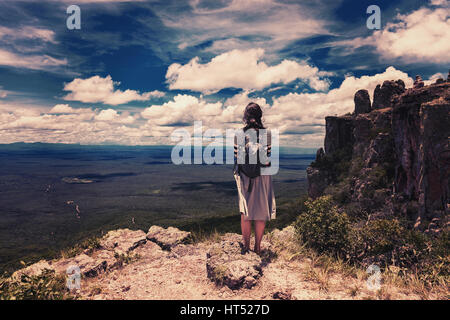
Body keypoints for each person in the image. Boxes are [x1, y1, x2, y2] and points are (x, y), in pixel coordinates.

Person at [233, 102, 276, 255]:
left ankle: (246, 247)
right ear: (260, 116)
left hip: (244, 176)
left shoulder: (239, 134)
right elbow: (266, 158)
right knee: (260, 211)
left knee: (245, 211)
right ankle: (258, 247)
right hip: (263, 176)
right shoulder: (267, 134)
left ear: (246, 116)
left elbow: (237, 157)